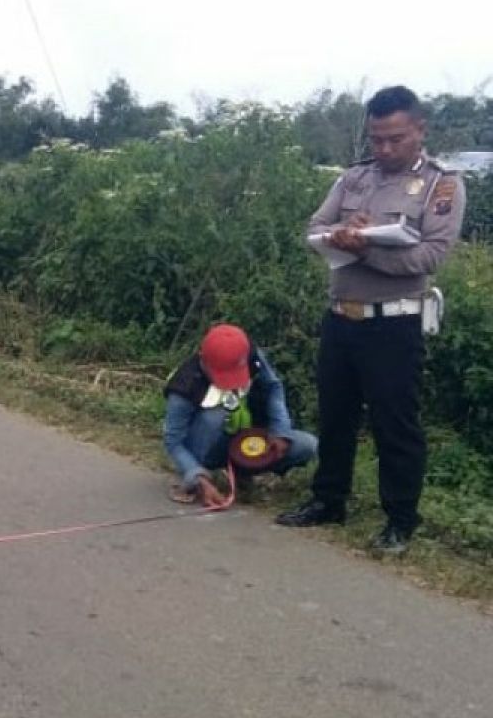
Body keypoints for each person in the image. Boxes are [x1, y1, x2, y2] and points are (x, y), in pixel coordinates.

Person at [276, 85, 467, 556]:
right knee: (336, 415)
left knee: (394, 425)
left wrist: (367, 250)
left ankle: (400, 519)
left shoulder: (442, 185)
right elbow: (312, 228)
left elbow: (430, 256)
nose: (383, 149)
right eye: (376, 139)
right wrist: (337, 235)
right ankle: (328, 500)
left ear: (420, 131)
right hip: (342, 318)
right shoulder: (353, 179)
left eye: (395, 139)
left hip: (394, 324)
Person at [164, 324, 317, 507]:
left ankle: (243, 470)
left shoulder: (251, 355)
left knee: (308, 445)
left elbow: (273, 386)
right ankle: (198, 476)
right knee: (216, 415)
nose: (232, 383)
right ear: (204, 360)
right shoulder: (184, 387)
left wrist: (280, 431)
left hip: (248, 440)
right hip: (207, 447)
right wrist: (197, 476)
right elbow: (173, 441)